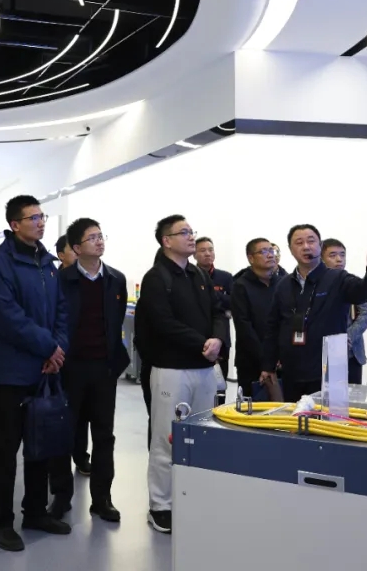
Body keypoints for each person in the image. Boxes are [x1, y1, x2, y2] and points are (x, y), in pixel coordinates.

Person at [0, 195, 70, 552]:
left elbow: (62, 310)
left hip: (46, 369)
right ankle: (1, 522)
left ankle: (35, 511)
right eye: (33, 218)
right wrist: (48, 347)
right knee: (7, 449)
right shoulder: (0, 264)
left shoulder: (47, 263)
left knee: (40, 445)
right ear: (15, 224)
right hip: (11, 372)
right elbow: (7, 317)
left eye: (42, 216)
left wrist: (58, 349)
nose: (40, 222)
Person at [136, 215, 227, 534]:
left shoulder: (198, 274)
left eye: (192, 231)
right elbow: (163, 323)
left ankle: (194, 496)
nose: (191, 237)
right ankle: (160, 505)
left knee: (202, 436)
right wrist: (203, 343)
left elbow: (218, 311)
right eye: (184, 232)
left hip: (204, 369)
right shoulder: (156, 278)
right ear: (167, 241)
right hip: (171, 371)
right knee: (166, 439)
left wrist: (218, 339)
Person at [48, 218, 128, 524]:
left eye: (100, 235)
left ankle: (102, 499)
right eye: (92, 237)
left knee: (104, 436)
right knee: (63, 433)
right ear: (76, 248)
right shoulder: (61, 280)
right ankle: (61, 496)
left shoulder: (116, 279)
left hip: (104, 370)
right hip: (70, 369)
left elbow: (115, 324)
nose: (99, 241)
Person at [260, 225, 367, 402]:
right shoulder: (284, 285)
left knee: (331, 416)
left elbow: (363, 291)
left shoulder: (338, 278)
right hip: (293, 368)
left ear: (320, 246)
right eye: (299, 242)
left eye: (311, 241)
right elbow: (273, 327)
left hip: (330, 368)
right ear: (290, 249)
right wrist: (268, 365)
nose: (306, 246)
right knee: (295, 415)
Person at [56, 233, 90, 474]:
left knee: (83, 413)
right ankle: (58, 462)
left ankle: (80, 455)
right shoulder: (53, 280)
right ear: (61, 255)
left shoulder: (89, 279)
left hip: (84, 359)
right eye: (73, 250)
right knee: (60, 412)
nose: (78, 254)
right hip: (59, 357)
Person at [232, 238, 282, 399]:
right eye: (263, 251)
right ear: (251, 258)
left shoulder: (282, 283)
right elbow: (244, 327)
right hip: (252, 361)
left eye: (271, 250)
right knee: (255, 409)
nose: (270, 255)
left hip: (281, 361)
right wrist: (266, 361)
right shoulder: (240, 285)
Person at [321, 238, 367, 384]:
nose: (339, 259)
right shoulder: (315, 284)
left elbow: (365, 315)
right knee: (324, 394)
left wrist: (346, 338)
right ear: (321, 259)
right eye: (333, 255)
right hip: (322, 352)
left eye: (342, 255)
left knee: (353, 394)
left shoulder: (352, 282)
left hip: (352, 351)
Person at [194, 237, 234, 401]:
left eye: (210, 250)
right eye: (203, 250)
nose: (207, 253)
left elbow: (234, 303)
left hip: (221, 337)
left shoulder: (225, 277)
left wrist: (212, 295)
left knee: (220, 385)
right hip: (198, 336)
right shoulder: (189, 276)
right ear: (194, 254)